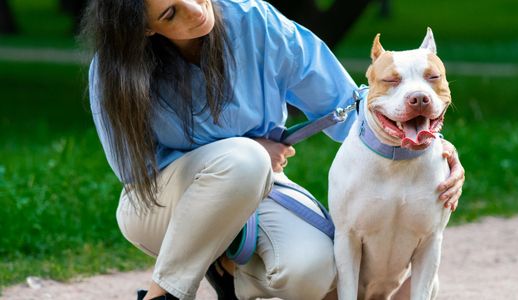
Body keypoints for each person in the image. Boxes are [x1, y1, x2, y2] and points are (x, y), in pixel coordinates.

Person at [81, 0, 465, 299]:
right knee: (244, 160)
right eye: (170, 13)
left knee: (316, 275)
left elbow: (352, 105)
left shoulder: (256, 21)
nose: (196, 10)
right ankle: (165, 293)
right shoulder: (114, 72)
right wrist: (239, 155)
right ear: (145, 28)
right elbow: (136, 173)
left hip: (262, 189)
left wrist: (435, 147)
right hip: (159, 205)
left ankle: (230, 274)